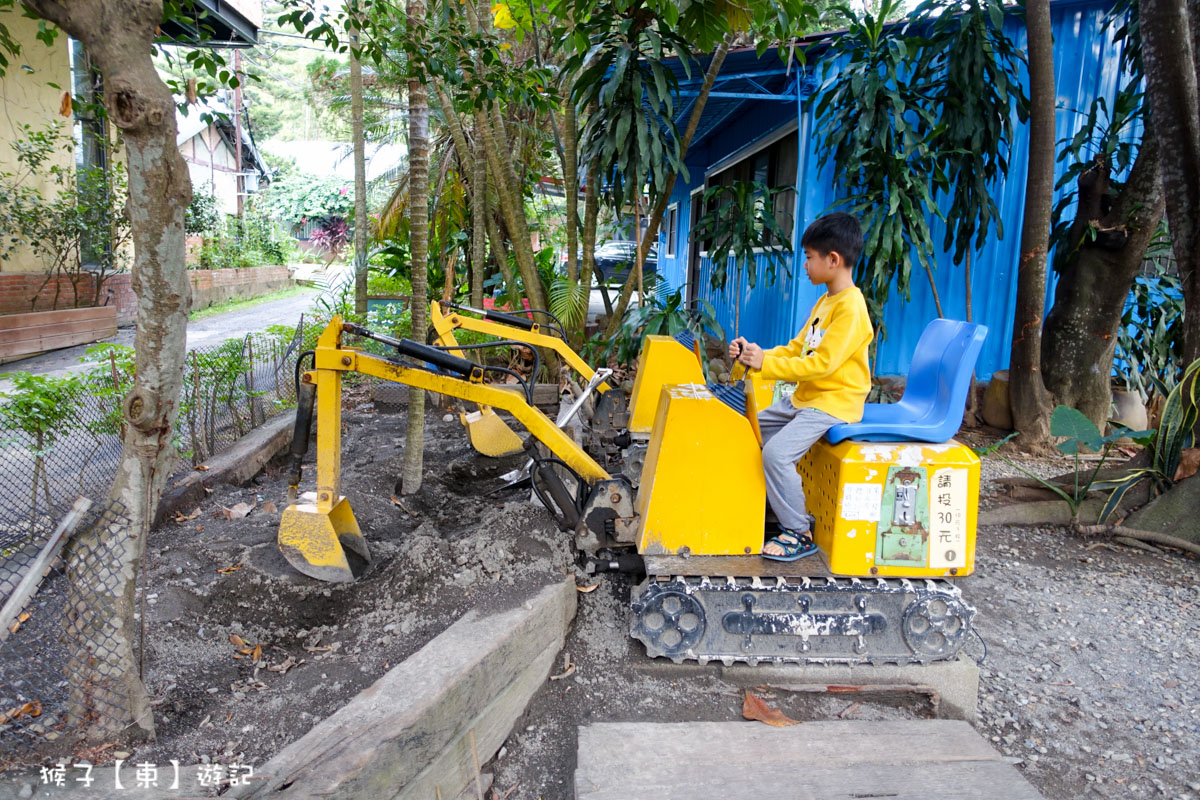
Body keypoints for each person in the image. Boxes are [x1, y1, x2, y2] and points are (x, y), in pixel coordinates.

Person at [729, 212, 873, 561]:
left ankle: (797, 530)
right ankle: (761, 504)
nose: (805, 265)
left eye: (809, 257)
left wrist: (766, 366)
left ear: (833, 260)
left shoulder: (851, 309)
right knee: (745, 429)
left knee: (776, 454)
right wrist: (756, 354)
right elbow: (799, 349)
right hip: (807, 398)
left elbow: (820, 365)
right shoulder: (826, 301)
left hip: (833, 403)